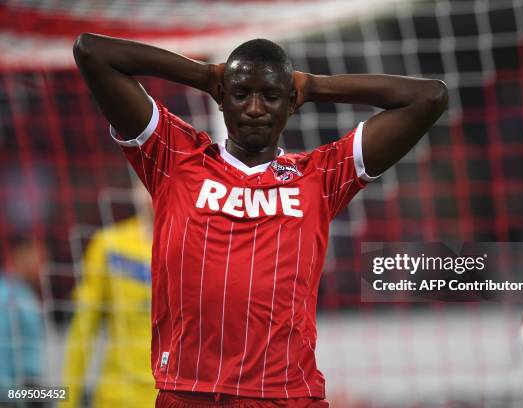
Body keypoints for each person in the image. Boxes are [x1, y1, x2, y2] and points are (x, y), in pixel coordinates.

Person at [72, 33, 447, 407]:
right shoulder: (176, 157)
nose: (254, 108)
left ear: (290, 103)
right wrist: (204, 75)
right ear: (222, 98)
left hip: (285, 396)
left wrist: (313, 85)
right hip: (190, 392)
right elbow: (92, 52)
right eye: (240, 94)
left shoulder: (320, 176)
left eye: (270, 96)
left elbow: (429, 97)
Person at [61, 183, 157, 407]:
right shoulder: (109, 245)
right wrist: (66, 401)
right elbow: (83, 329)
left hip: (174, 396)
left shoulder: (201, 248)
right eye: (143, 183)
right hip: (115, 396)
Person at [0, 235, 45, 390]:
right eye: (36, 255)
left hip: (29, 385)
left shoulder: (25, 291)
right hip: (12, 390)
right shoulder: (5, 294)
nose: (41, 263)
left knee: (63, 395)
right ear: (19, 255)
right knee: (63, 396)